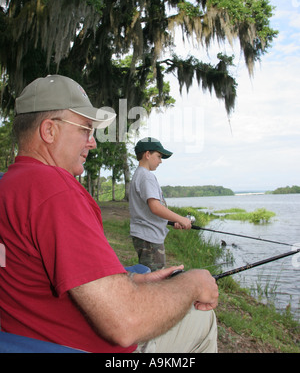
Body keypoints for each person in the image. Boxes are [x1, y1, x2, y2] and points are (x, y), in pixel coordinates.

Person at [0, 74, 218, 353]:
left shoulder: (9, 186)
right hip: (84, 347)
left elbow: (35, 275)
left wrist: (128, 279)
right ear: (49, 130)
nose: (92, 143)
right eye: (85, 130)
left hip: (30, 338)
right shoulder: (53, 190)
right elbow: (126, 322)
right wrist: (192, 283)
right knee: (203, 318)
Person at [130, 137, 192, 271]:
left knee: (148, 276)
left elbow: (147, 210)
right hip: (150, 237)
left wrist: (172, 220)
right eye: (158, 156)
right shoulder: (146, 176)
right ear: (147, 154)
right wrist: (181, 219)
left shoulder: (139, 174)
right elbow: (155, 207)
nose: (160, 161)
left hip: (144, 235)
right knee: (154, 281)